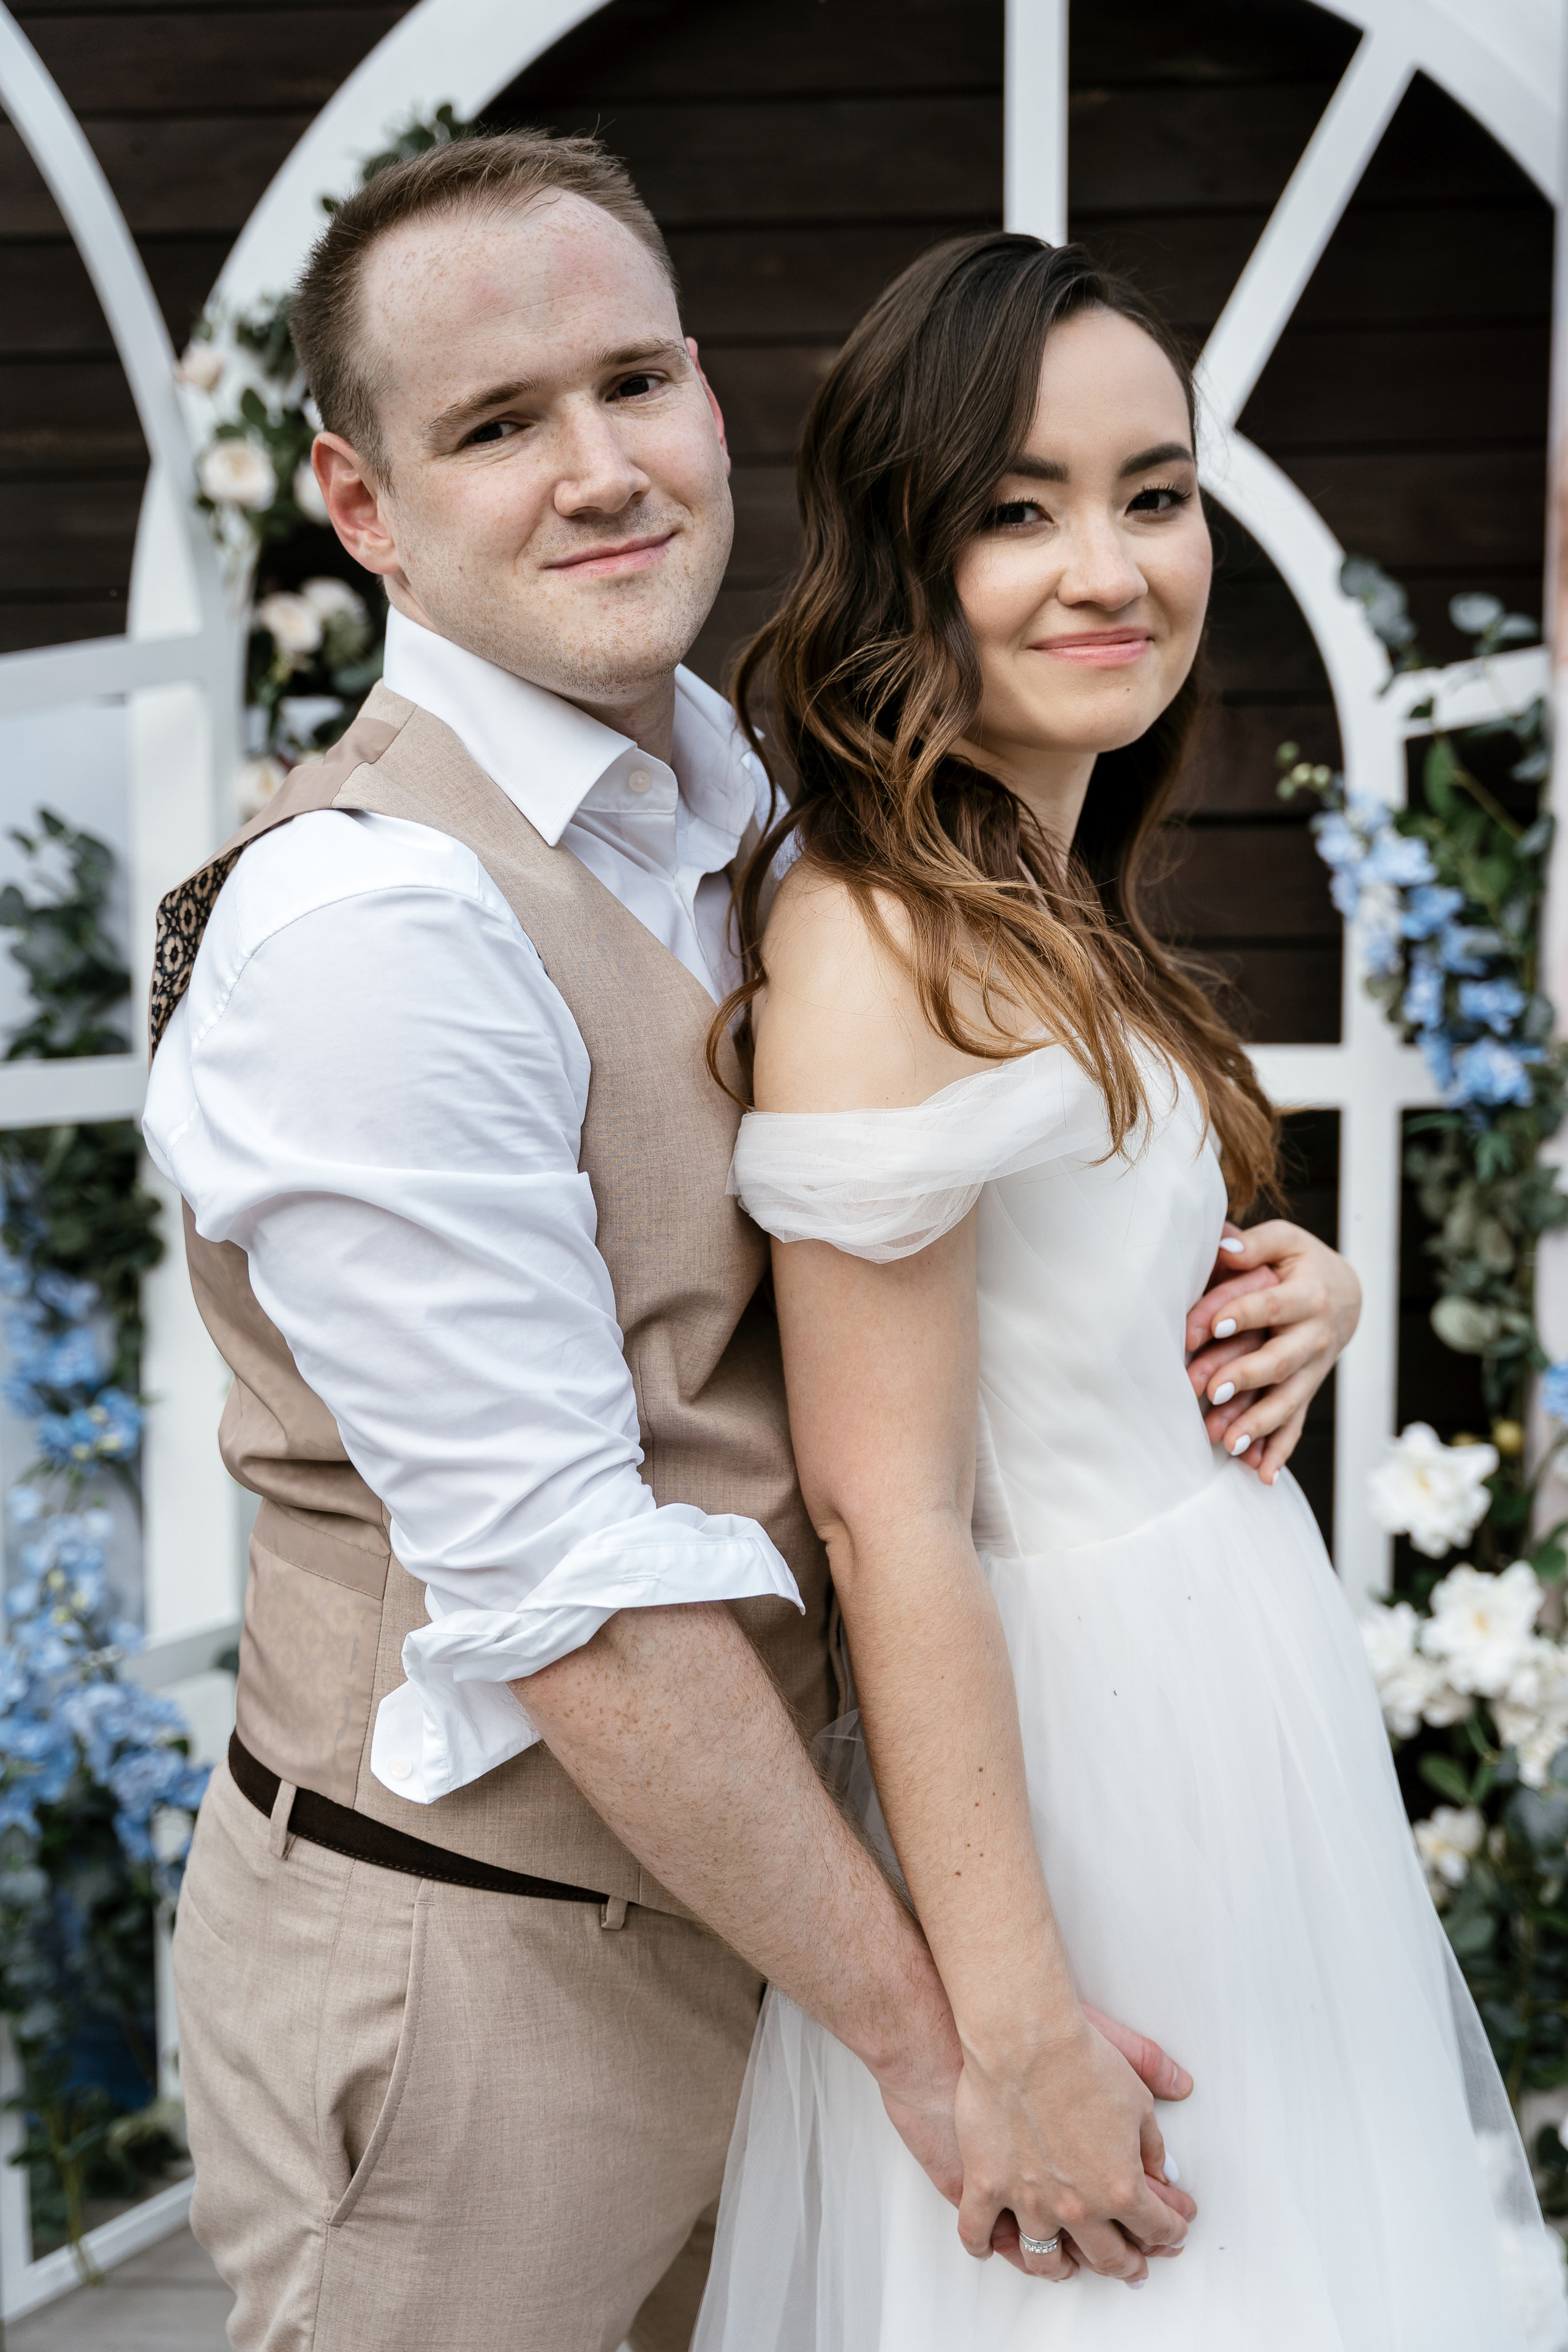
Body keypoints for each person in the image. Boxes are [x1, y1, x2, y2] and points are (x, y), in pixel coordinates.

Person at [143, 138, 1207, 2352]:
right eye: (498, 426)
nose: (603, 470)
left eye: (636, 384)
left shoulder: (758, 798)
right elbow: (572, 1595)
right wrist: (954, 2048)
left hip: (791, 1936)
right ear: (362, 506)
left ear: (715, 400)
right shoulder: (373, 925)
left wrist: (1266, 1283)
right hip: (477, 1991)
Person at [693, 232, 1568, 2350]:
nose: (1112, 565)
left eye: (1152, 493)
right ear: (907, 550)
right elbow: (889, 1511)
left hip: (1221, 1716)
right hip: (1084, 1797)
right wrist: (1016, 2030)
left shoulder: (1038, 883)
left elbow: (1079, 1271)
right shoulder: (880, 929)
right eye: (1019, 509)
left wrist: (1296, 1284)